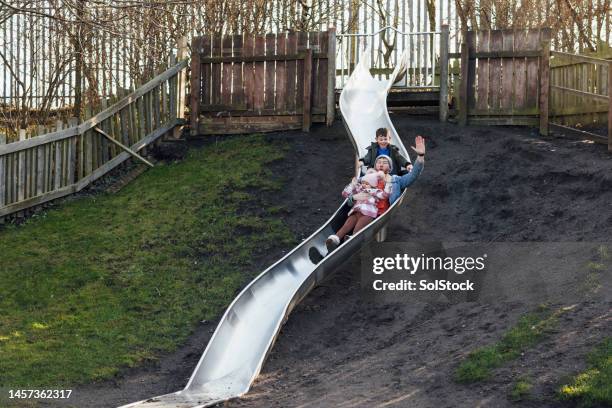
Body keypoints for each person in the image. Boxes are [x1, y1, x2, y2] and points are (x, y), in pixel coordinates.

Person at [325, 169, 389, 252]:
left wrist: (388, 184)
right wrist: (352, 185)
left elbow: (385, 195)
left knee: (358, 228)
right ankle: (335, 239)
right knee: (346, 226)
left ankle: (351, 239)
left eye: (367, 184)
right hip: (356, 212)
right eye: (363, 183)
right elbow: (345, 194)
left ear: (373, 185)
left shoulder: (375, 192)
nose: (364, 185)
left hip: (367, 215)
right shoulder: (359, 190)